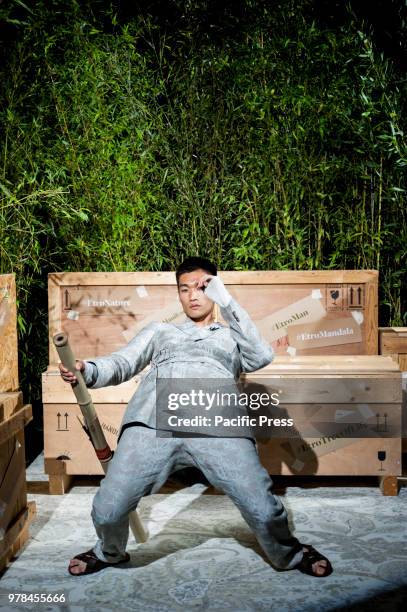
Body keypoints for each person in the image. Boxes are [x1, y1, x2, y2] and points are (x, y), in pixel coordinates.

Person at [59, 256, 332, 577]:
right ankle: (108, 552)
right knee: (107, 509)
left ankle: (291, 554)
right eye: (184, 289)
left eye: (203, 287)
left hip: (218, 425)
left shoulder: (231, 335)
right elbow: (122, 362)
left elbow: (261, 356)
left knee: (263, 509)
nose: (193, 295)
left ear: (214, 290)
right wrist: (87, 370)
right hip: (154, 423)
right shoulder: (161, 331)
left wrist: (227, 300)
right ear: (178, 294)